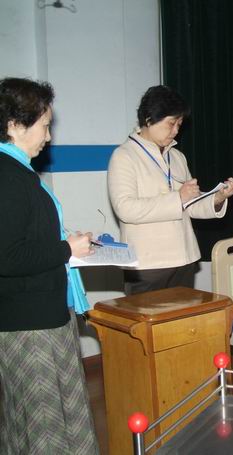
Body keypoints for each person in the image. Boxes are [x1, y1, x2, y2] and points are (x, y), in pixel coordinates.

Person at [0, 77, 99, 453]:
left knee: (57, 415)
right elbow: (7, 256)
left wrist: (67, 243)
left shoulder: (18, 171)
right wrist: (65, 249)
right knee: (44, 424)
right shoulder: (7, 178)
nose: (49, 136)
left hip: (42, 314)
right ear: (14, 125)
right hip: (29, 325)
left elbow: (27, 236)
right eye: (44, 125)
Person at [108, 85, 233, 295]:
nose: (176, 131)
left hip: (183, 258)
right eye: (171, 124)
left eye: (179, 124)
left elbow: (190, 205)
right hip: (148, 264)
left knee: (184, 316)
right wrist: (177, 198)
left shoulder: (177, 157)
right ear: (149, 119)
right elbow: (125, 208)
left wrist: (217, 197)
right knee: (147, 316)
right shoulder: (124, 156)